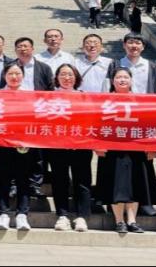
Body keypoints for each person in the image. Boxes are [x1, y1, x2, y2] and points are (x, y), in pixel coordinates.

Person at [115, 32, 156, 216]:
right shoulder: (116, 64)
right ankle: (118, 202)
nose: (134, 46)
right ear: (124, 45)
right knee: (120, 164)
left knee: (144, 164)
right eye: (130, 42)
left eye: (137, 43)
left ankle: (146, 202)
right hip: (119, 120)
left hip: (144, 119)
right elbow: (106, 90)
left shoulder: (152, 66)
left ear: (143, 47)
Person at [96, 68, 151, 234]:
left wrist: (151, 146)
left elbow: (150, 124)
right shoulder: (105, 101)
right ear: (112, 81)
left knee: (135, 183)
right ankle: (119, 220)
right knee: (116, 184)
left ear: (131, 81)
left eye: (125, 77)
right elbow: (96, 124)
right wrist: (96, 144)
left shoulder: (140, 101)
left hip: (136, 148)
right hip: (112, 149)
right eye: (118, 77)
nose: (122, 80)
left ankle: (132, 220)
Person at [4, 37, 53, 198]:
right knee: (13, 152)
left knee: (37, 154)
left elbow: (50, 91)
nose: (23, 49)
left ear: (32, 48)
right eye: (19, 46)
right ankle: (13, 184)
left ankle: (35, 184)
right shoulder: (10, 67)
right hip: (13, 117)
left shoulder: (43, 67)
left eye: (26, 46)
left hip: (36, 116)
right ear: (15, 50)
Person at [47, 64, 92, 232]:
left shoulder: (84, 97)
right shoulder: (49, 97)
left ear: (76, 77)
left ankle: (82, 217)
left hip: (81, 146)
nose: (67, 78)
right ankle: (62, 215)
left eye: (70, 74)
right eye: (63, 74)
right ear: (57, 77)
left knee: (82, 181)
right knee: (60, 181)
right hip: (57, 146)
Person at [0, 62, 35, 231]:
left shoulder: (31, 95)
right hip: (2, 142)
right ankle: (3, 213)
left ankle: (22, 214)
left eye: (18, 73)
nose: (14, 77)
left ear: (23, 76)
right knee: (3, 177)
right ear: (4, 76)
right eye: (10, 73)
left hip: (24, 142)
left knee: (23, 178)